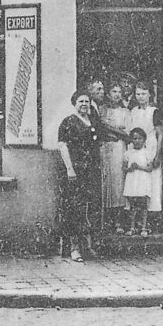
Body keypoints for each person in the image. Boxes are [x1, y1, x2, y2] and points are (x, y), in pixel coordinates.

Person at [57, 90, 102, 262]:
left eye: (87, 101)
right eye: (81, 101)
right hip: (75, 171)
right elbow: (62, 145)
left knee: (89, 208)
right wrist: (70, 168)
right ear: (74, 103)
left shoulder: (93, 121)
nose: (84, 104)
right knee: (75, 209)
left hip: (91, 170)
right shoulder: (68, 122)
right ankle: (74, 248)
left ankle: (88, 246)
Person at [127, 81, 163, 225]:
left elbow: (160, 134)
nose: (141, 97)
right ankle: (137, 219)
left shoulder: (154, 111)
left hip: (150, 147)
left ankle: (151, 217)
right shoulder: (133, 111)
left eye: (144, 93)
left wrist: (158, 155)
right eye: (138, 94)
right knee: (136, 180)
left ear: (150, 94)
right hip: (136, 148)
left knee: (152, 181)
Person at [100, 82, 130, 232]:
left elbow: (127, 133)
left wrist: (110, 128)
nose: (117, 94)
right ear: (108, 94)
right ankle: (105, 222)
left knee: (118, 184)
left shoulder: (125, 112)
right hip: (104, 149)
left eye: (119, 92)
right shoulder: (102, 110)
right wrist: (116, 130)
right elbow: (99, 129)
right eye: (114, 91)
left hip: (119, 148)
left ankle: (119, 222)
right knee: (106, 182)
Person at [122, 127, 152, 236]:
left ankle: (143, 227)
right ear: (131, 140)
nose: (137, 141)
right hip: (132, 181)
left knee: (143, 205)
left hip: (142, 180)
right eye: (135, 138)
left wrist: (139, 167)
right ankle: (132, 227)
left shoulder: (146, 153)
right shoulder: (128, 153)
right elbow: (124, 168)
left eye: (140, 138)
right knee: (132, 206)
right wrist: (130, 168)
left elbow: (150, 168)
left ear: (144, 140)